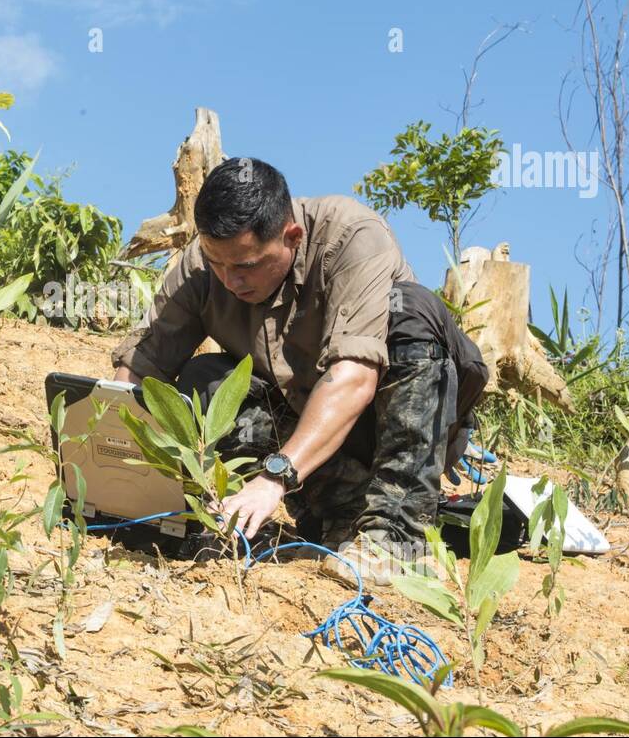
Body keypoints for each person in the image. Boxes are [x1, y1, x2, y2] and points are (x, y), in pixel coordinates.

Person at [112, 157, 488, 587]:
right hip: (309, 438)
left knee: (412, 309)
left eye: (247, 266)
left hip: (390, 425)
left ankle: (397, 536)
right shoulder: (204, 264)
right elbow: (140, 371)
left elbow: (355, 377)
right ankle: (342, 517)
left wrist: (274, 477)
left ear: (292, 236)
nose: (230, 280)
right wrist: (115, 473)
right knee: (205, 379)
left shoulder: (352, 236)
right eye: (218, 264)